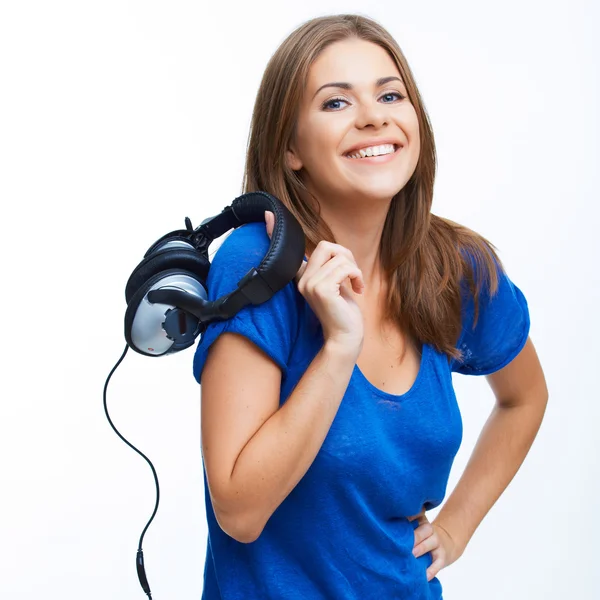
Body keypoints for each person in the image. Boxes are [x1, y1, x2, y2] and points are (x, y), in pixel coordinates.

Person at [192, 13, 548, 600]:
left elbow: (524, 397)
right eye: (336, 103)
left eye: (390, 94)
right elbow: (240, 509)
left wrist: (457, 526)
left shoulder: (455, 267)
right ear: (289, 148)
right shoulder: (259, 262)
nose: (374, 116)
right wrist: (337, 349)